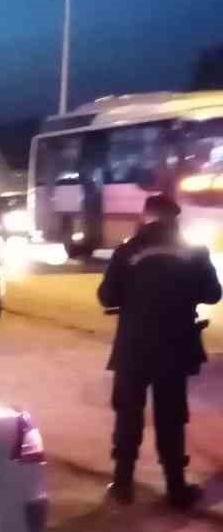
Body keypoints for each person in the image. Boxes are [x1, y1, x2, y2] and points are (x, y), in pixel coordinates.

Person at [96, 193, 221, 509]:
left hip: (133, 348)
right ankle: (176, 487)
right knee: (171, 416)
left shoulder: (127, 251)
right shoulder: (193, 252)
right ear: (175, 218)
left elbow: (107, 297)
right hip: (175, 347)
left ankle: (123, 484)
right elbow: (213, 293)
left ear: (145, 216)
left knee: (128, 414)